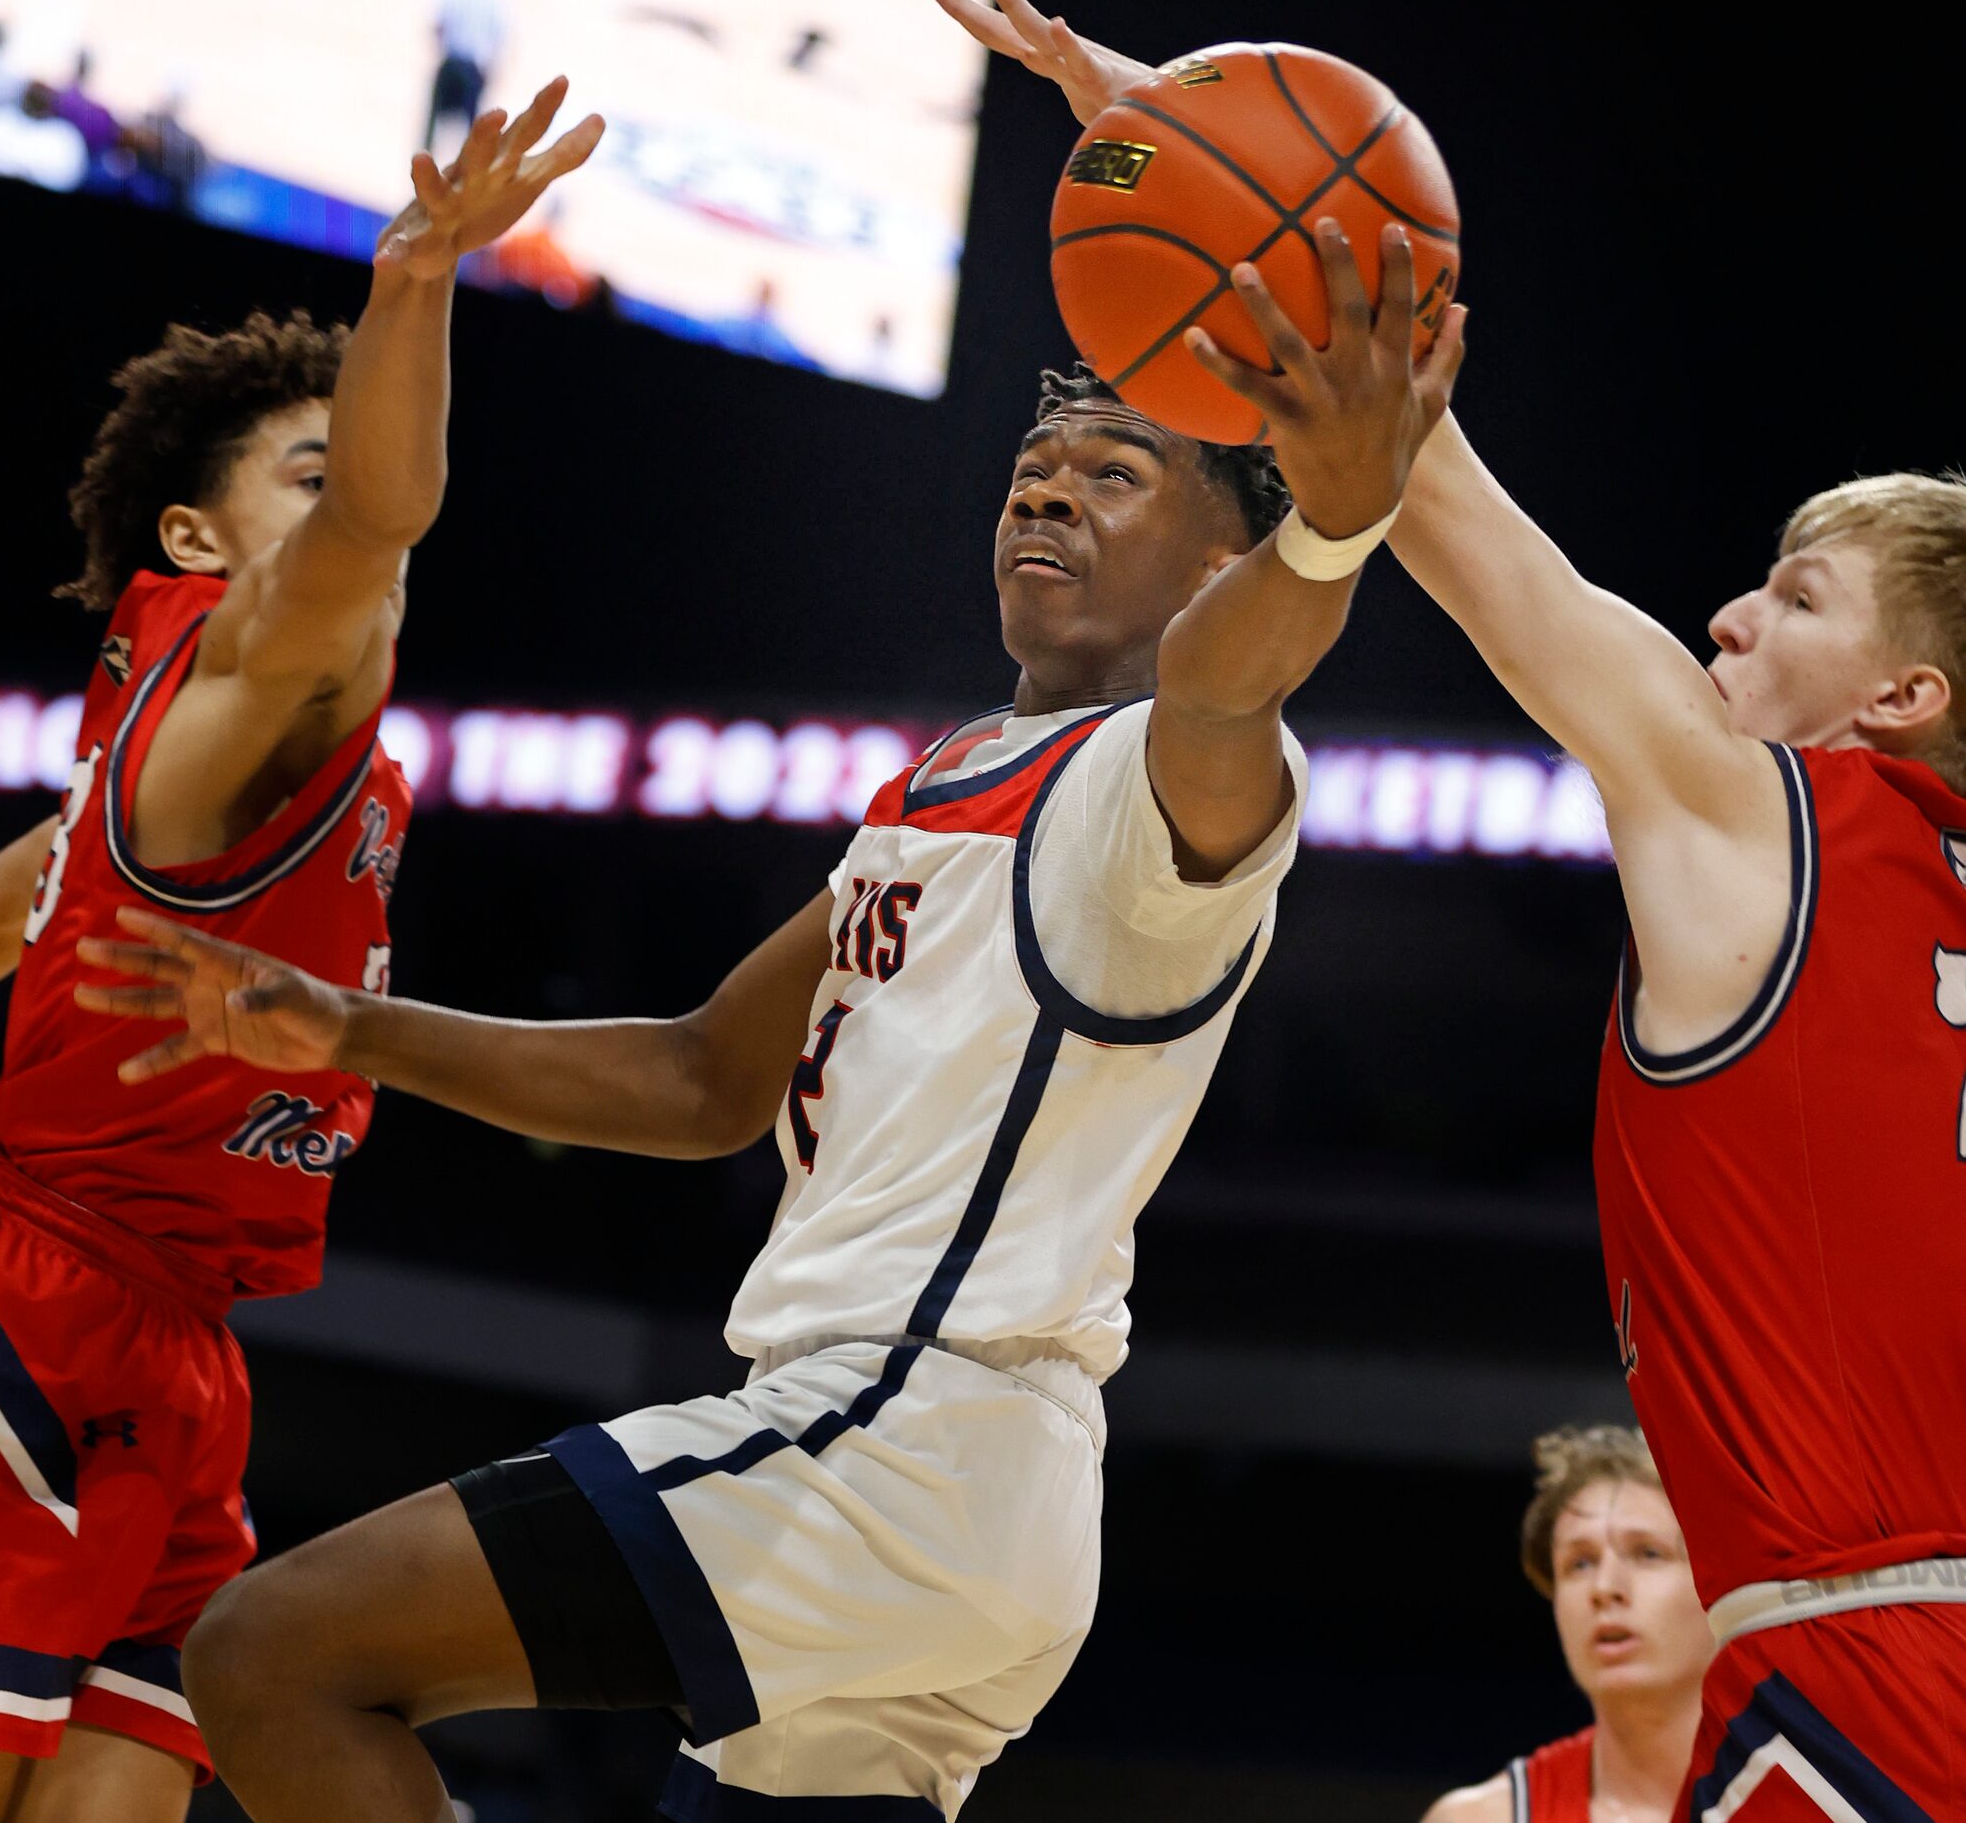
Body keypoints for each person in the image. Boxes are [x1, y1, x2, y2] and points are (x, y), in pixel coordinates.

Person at [74, 185, 1465, 1815]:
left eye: (1113, 473)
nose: (1049, 492)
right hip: (945, 1501)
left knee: (275, 1650)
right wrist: (352, 1027)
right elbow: (696, 1078)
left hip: (900, 1436)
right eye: (1034, 471)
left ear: (1224, 556)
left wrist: (1337, 526)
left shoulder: (1156, 784)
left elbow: (1239, 673)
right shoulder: (942, 785)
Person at [934, 0, 1966, 1814]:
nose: (1734, 613)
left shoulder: (1770, 828)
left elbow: (1447, 505)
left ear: (1908, 702)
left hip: (1885, 1661)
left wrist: (1203, 168)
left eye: (1799, 598)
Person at [0, 84, 602, 1823]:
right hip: (28, 1299)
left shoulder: (196, 762)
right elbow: (380, 532)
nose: (353, 504)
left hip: (187, 1352)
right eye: (306, 476)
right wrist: (414, 284)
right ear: (197, 539)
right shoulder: (250, 667)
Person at [1423, 1427, 1712, 1823]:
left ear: (1720, 1585)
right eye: (1580, 1563)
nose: (1605, 1588)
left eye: (1648, 1553)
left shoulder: (1813, 1792)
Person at [424, 0, 503, 157]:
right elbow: (498, 37)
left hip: (451, 61)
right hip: (474, 68)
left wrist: (440, 51)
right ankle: (467, 172)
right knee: (472, 128)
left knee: (433, 124)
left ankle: (423, 164)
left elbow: (437, 25)